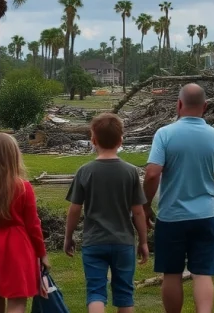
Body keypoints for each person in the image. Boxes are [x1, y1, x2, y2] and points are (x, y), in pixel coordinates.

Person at [143, 83, 214, 313]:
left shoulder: (164, 134)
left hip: (171, 216)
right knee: (203, 274)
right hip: (206, 215)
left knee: (172, 273)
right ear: (205, 106)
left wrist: (145, 205)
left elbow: (153, 173)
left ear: (178, 104)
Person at [63, 113, 150, 313]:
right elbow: (138, 212)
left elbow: (75, 209)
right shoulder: (130, 172)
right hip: (123, 242)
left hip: (94, 241)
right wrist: (144, 242)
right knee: (125, 295)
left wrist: (68, 237)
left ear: (93, 140)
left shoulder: (85, 171)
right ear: (121, 140)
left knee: (95, 292)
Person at [0, 133, 49, 313]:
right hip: (17, 249)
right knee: (17, 303)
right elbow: (33, 225)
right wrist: (42, 253)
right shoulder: (23, 187)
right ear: (14, 156)